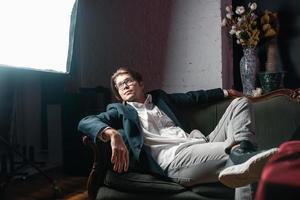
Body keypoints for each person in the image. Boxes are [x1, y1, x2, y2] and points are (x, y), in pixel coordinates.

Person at [78, 67, 277, 189]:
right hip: (175, 159)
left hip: (201, 142)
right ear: (120, 95)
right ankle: (243, 152)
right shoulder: (118, 111)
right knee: (242, 156)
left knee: (240, 103)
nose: (126, 86)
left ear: (140, 83)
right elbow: (85, 121)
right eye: (121, 86)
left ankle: (244, 149)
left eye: (128, 81)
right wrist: (112, 133)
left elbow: (194, 96)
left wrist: (226, 92)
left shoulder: (160, 98)